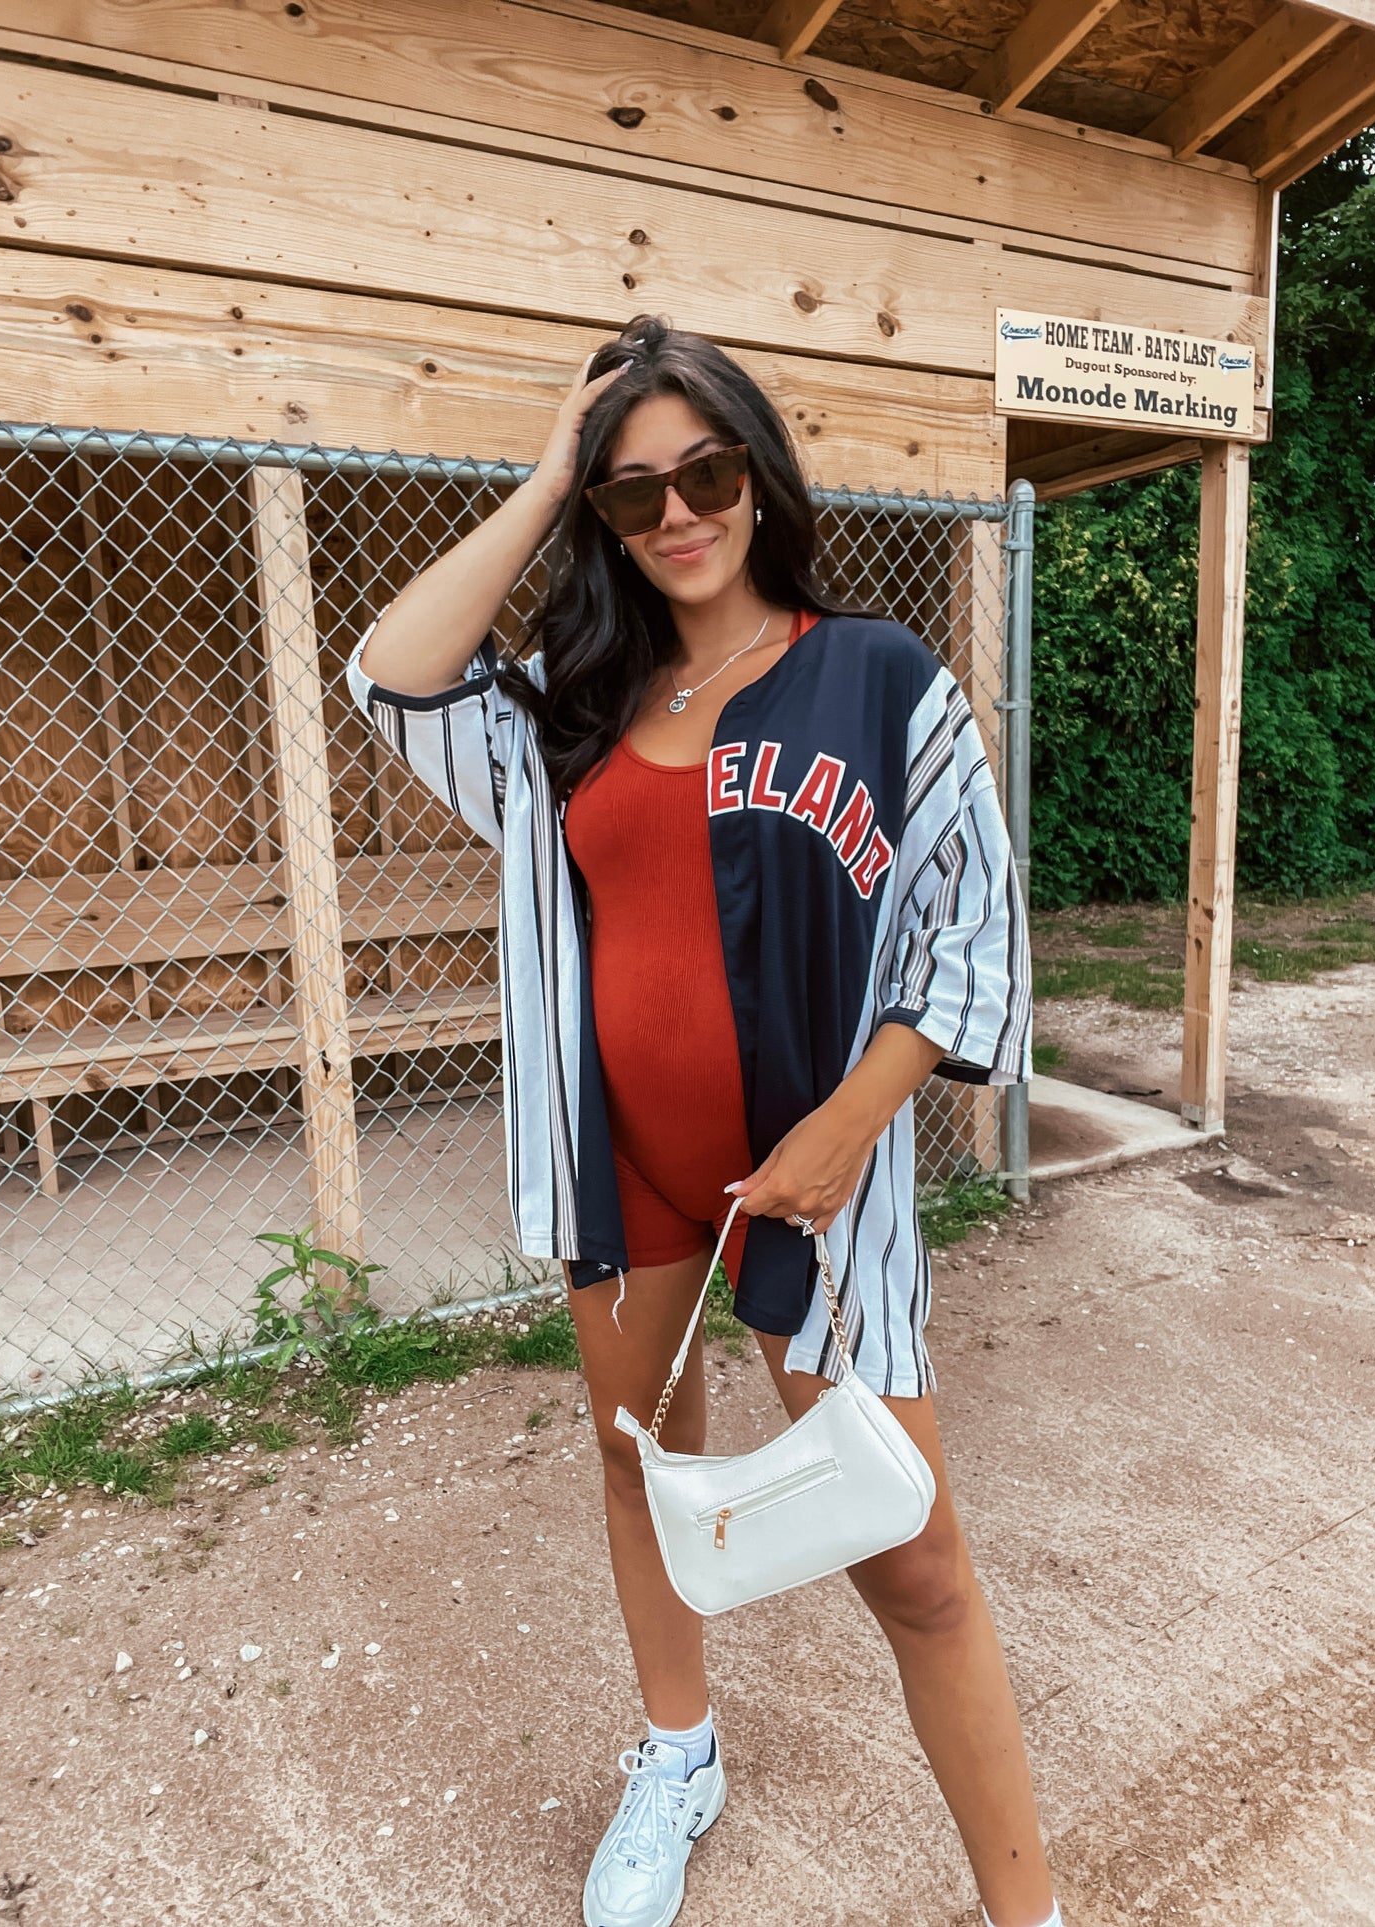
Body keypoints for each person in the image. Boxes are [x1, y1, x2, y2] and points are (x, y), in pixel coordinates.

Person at [348, 314, 1058, 1927]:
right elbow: (389, 676)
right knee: (640, 1466)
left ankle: (1030, 1914)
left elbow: (974, 938)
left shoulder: (876, 679)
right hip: (629, 1177)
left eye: (705, 472)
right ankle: (678, 1750)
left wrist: (852, 1128)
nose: (674, 513)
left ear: (757, 474)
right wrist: (544, 471)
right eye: (631, 490)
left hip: (807, 1187)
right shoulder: (565, 707)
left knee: (917, 1568)